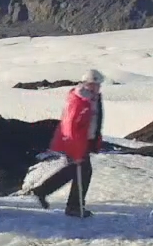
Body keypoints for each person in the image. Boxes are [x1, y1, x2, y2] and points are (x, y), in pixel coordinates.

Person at [31, 69, 105, 217]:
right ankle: (73, 207)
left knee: (74, 170)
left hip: (84, 142)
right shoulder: (79, 100)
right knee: (82, 172)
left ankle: (43, 191)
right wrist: (76, 149)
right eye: (94, 84)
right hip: (74, 142)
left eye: (98, 84)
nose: (97, 87)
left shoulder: (92, 98)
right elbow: (70, 126)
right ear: (87, 84)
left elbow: (94, 122)